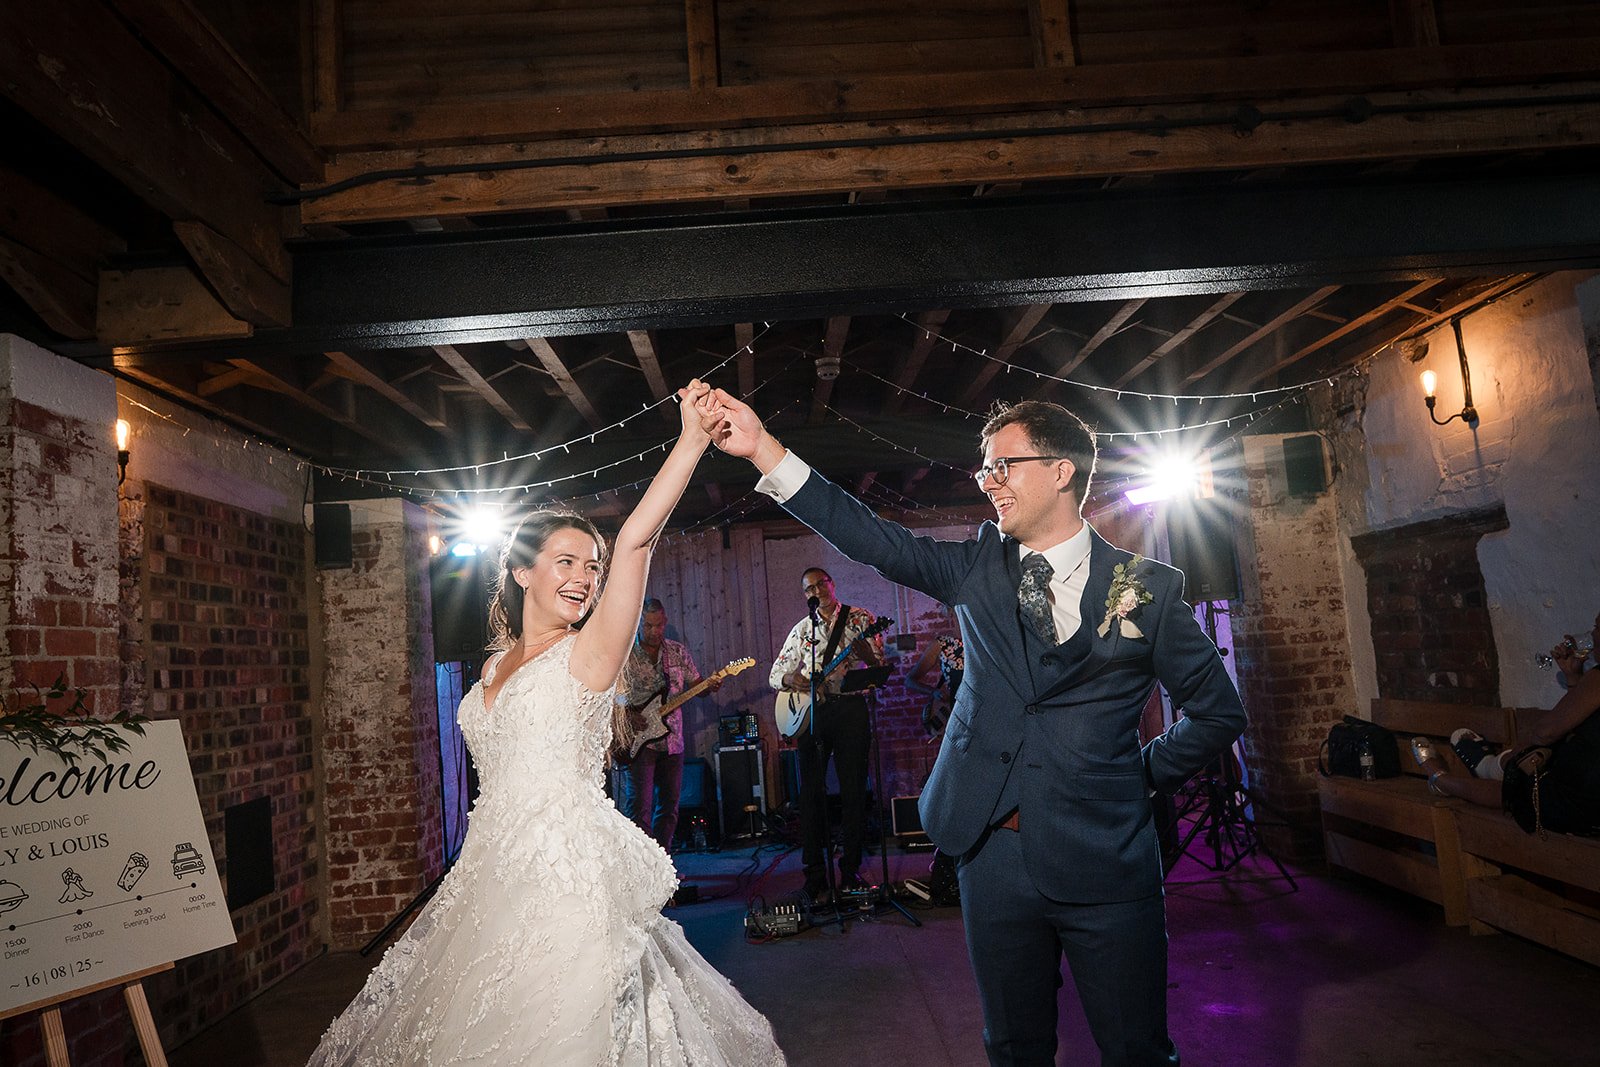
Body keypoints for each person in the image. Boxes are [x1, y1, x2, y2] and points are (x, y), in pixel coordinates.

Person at [699, 390, 1246, 1067]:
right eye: (984, 469)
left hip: (1107, 853)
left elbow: (1220, 712)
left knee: (1136, 1047)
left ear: (1061, 469)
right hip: (993, 854)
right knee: (1014, 1048)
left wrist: (1136, 777)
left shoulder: (1149, 588)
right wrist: (762, 449)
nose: (989, 482)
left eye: (1003, 466)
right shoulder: (976, 568)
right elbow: (872, 537)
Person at [308, 381, 786, 1066]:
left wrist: (690, 441)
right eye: (567, 562)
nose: (585, 579)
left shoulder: (588, 655)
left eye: (591, 569)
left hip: (569, 888)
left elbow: (635, 543)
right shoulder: (492, 667)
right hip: (491, 883)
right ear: (523, 570)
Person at [1413, 611, 1600, 835]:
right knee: (1544, 768)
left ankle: (1442, 781)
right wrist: (1573, 678)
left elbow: (1546, 732)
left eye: (1597, 627)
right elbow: (1577, 720)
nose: (1591, 634)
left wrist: (1517, 756)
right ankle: (1494, 767)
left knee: (1516, 790)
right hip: (1589, 795)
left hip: (1585, 808)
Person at [770, 567, 886, 903]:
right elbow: (775, 675)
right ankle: (815, 875)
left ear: (833, 584)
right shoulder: (802, 629)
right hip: (812, 715)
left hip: (850, 709)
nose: (817, 591)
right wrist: (794, 680)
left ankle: (850, 871)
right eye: (810, 588)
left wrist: (863, 649)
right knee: (810, 795)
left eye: (821, 584)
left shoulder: (861, 618)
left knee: (853, 791)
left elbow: (877, 662)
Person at [615, 597, 721, 851]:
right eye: (649, 625)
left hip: (673, 740)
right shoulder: (626, 655)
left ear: (665, 623)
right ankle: (642, 869)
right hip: (639, 740)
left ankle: (664, 866)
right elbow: (611, 694)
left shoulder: (677, 651)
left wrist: (710, 685)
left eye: (659, 625)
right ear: (640, 624)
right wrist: (628, 715)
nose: (654, 631)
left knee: (670, 807)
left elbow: (697, 686)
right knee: (639, 807)